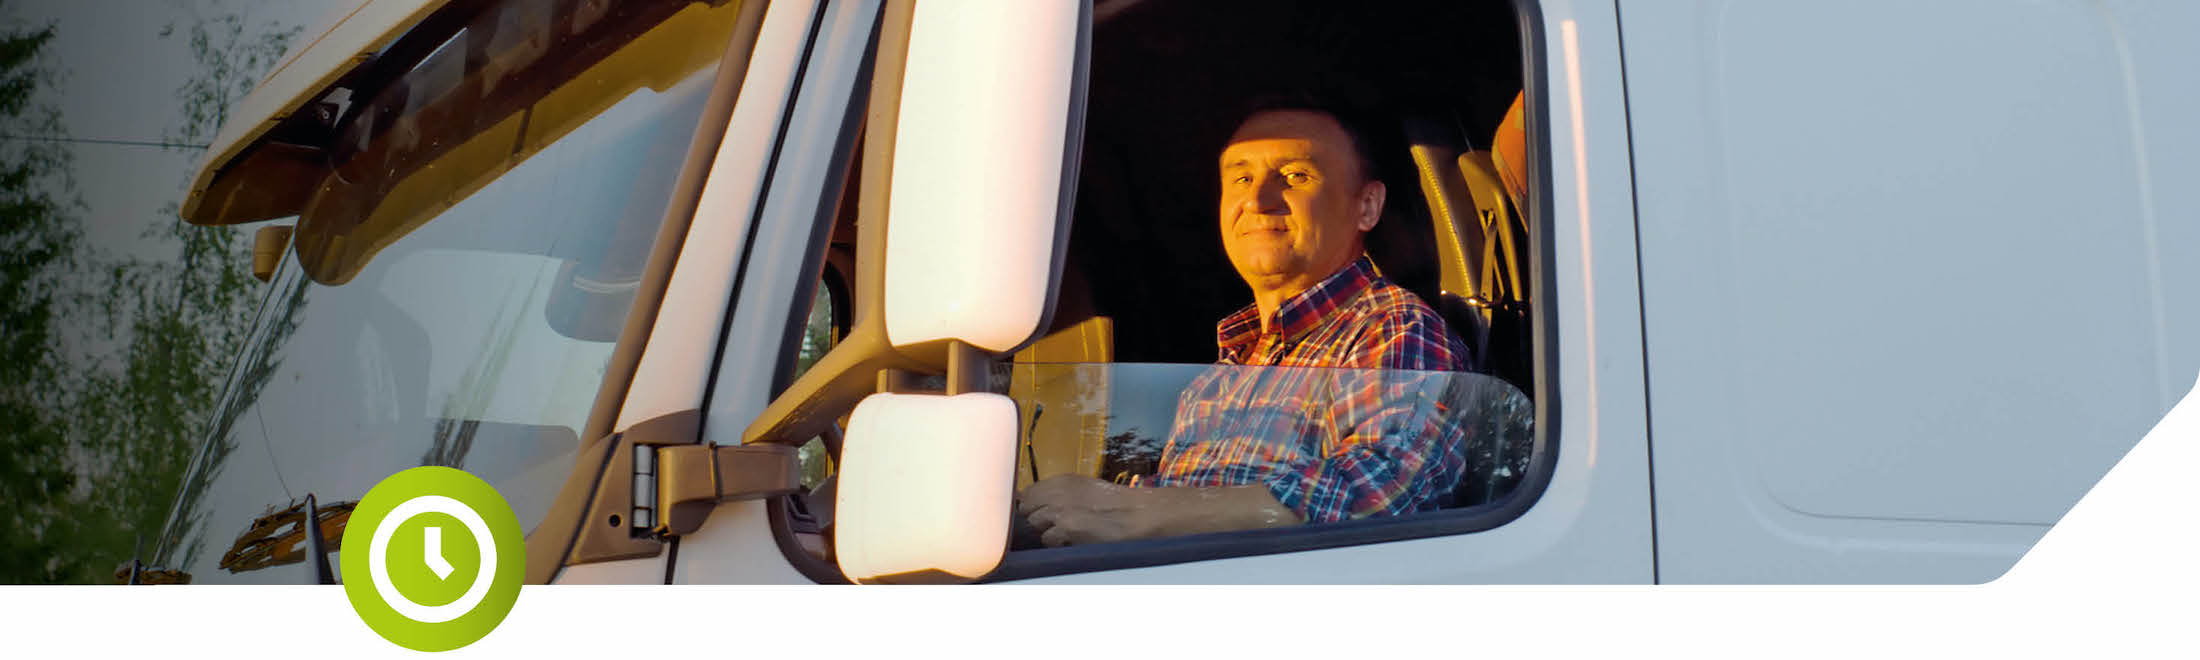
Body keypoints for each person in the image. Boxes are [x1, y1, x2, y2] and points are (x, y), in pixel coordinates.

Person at [1015, 101, 1473, 548]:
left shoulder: (1394, 328)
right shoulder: (1219, 378)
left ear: (1367, 206)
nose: (1257, 200)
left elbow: (1391, 492)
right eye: (1241, 178)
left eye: (1295, 176)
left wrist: (1135, 512)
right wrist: (1085, 503)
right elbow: (1183, 504)